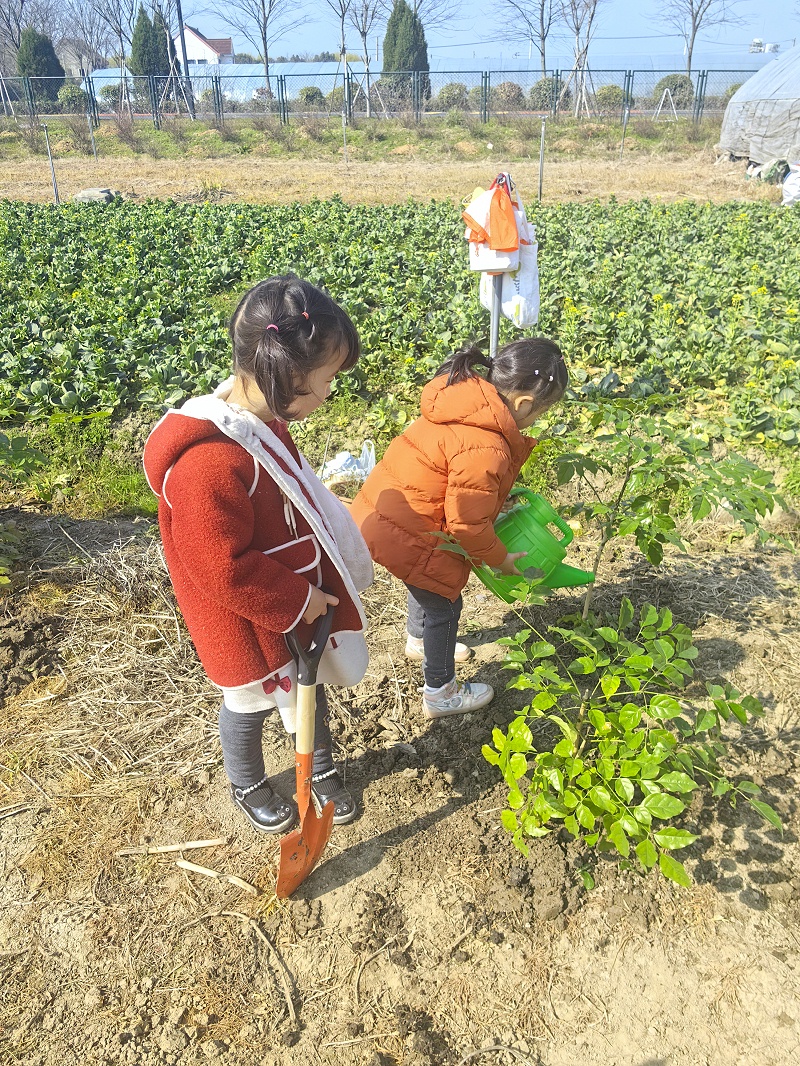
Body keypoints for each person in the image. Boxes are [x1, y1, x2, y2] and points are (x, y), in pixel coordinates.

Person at [143, 275, 373, 834]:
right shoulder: (210, 465)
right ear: (285, 377)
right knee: (248, 702)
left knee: (307, 685)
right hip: (243, 614)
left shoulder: (264, 423)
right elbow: (219, 566)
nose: (328, 394)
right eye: (325, 382)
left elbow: (289, 489)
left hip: (291, 587)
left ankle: (318, 771)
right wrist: (299, 599)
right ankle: (246, 781)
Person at [351, 338, 567, 719]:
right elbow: (467, 526)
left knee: (425, 582)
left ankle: (418, 640)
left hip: (388, 518)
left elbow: (457, 482)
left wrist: (501, 495)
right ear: (524, 404)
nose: (536, 422)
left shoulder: (462, 404)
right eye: (542, 412)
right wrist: (502, 559)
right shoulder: (488, 444)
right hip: (414, 532)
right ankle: (441, 692)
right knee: (446, 603)